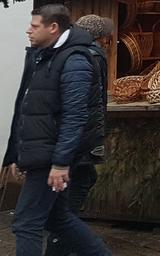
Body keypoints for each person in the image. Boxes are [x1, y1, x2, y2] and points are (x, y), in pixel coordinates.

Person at [3, 5, 111, 256]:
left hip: (51, 156)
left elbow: (75, 116)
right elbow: (27, 107)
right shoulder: (44, 55)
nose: (28, 30)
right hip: (42, 152)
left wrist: (61, 163)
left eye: (35, 25)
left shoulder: (75, 60)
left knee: (26, 223)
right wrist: (16, 154)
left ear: (53, 28)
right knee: (58, 219)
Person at [44, 15, 112, 256]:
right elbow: (88, 104)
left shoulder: (61, 52)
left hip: (69, 138)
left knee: (78, 183)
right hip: (80, 138)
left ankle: (63, 240)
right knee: (74, 189)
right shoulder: (92, 55)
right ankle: (60, 245)